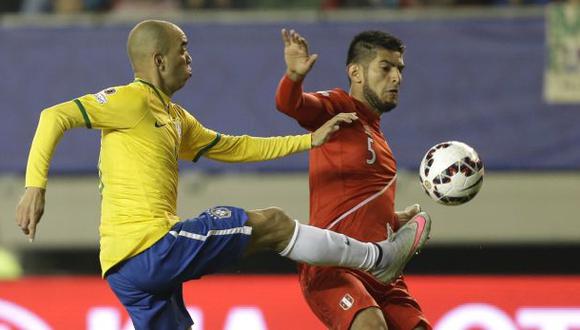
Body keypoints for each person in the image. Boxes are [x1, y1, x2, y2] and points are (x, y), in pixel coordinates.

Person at [15, 20, 431, 330]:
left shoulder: (175, 118)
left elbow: (235, 146)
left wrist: (307, 142)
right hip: (149, 245)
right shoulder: (130, 100)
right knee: (273, 223)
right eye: (182, 48)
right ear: (158, 60)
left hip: (124, 270)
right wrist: (35, 187)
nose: (189, 56)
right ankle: (376, 258)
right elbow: (55, 116)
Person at [275, 29, 432, 329]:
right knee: (371, 326)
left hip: (383, 273)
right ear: (356, 72)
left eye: (400, 69)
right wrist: (293, 78)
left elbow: (356, 206)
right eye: (386, 68)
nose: (397, 77)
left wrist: (393, 220)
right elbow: (290, 104)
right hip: (335, 267)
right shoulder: (338, 108)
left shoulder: (381, 141)